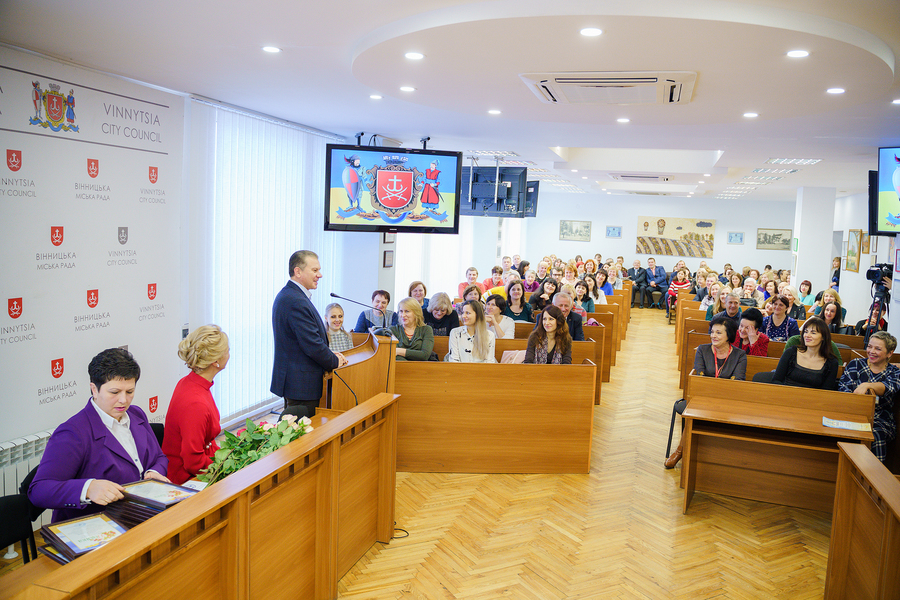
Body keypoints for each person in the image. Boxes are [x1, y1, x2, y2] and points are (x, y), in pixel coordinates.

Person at [29, 348, 169, 522]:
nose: (124, 400)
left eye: (130, 392)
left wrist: (153, 471)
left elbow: (160, 457)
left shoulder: (137, 414)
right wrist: (88, 488)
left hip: (140, 515)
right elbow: (39, 491)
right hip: (96, 526)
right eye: (115, 392)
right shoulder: (73, 432)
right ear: (94, 390)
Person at [271, 250, 347, 417]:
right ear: (298, 271)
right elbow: (311, 344)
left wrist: (329, 354)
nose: (319, 275)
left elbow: (305, 340)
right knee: (300, 436)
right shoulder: (295, 300)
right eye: (314, 270)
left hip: (298, 380)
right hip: (301, 384)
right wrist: (334, 361)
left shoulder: (292, 295)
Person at [665, 316, 747, 468]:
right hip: (701, 398)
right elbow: (699, 376)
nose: (713, 336)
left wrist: (719, 389)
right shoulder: (703, 350)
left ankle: (717, 458)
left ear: (729, 335)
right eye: (712, 332)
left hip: (727, 401)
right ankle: (679, 451)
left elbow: (738, 382)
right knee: (692, 413)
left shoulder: (739, 355)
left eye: (718, 333)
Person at [163, 325, 229, 485]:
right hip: (185, 481)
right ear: (215, 361)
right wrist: (228, 468)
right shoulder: (196, 402)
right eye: (227, 350)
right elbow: (193, 462)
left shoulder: (191, 382)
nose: (229, 354)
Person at [839, 331, 900, 462]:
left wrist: (868, 385)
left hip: (880, 418)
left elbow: (889, 388)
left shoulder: (894, 372)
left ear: (889, 353)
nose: (871, 351)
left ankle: (872, 478)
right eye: (869, 346)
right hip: (852, 413)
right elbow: (844, 390)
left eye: (878, 349)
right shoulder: (856, 364)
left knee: (874, 434)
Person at [770, 317, 839, 389]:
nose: (807, 335)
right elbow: (776, 380)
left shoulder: (832, 363)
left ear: (823, 337)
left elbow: (826, 392)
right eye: (806, 331)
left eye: (813, 333)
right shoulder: (791, 352)